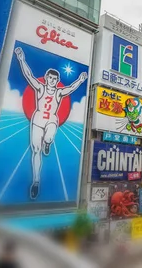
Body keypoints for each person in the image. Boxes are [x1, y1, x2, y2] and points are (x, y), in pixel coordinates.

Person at [14, 47, 88, 200]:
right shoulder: (40, 88)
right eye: (50, 78)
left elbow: (70, 88)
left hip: (52, 120)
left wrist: (80, 80)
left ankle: (48, 142)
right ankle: (36, 181)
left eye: (55, 79)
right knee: (36, 150)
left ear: (57, 81)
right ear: (47, 78)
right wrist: (21, 59)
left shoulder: (59, 92)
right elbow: (29, 75)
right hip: (38, 119)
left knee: (48, 136)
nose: (53, 81)